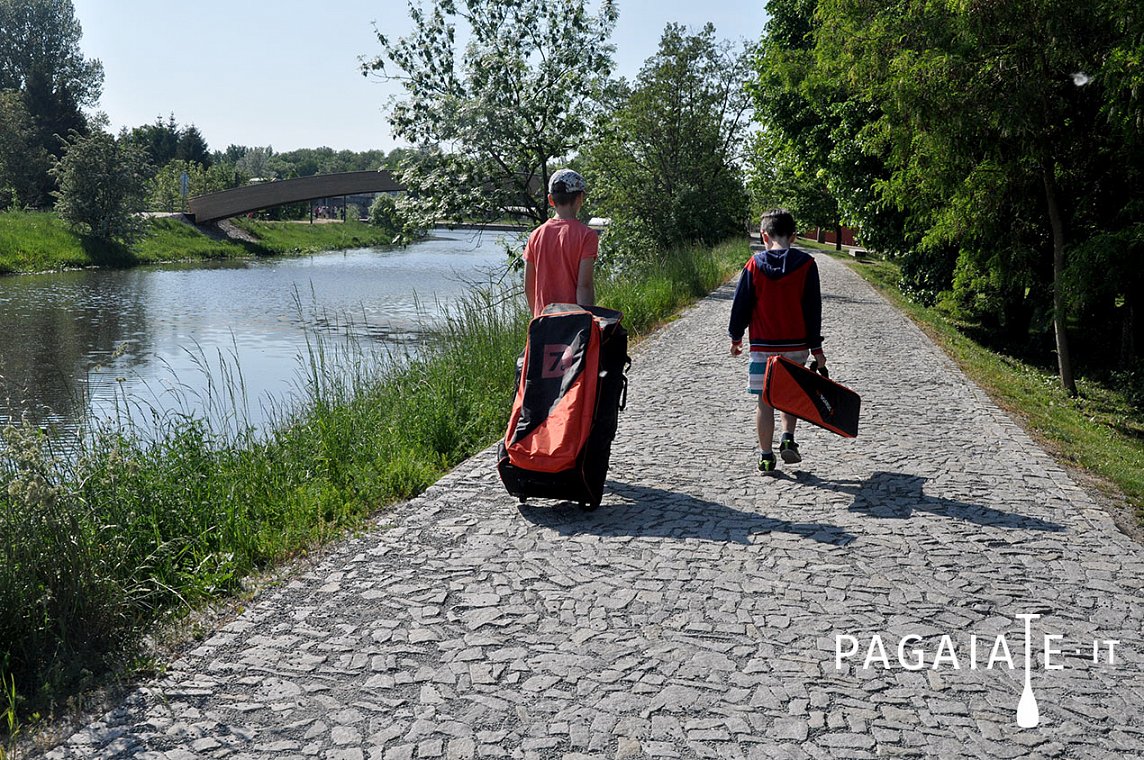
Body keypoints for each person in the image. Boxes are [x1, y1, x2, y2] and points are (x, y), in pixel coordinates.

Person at [728, 209, 826, 474]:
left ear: (764, 235)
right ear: (793, 236)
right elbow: (812, 310)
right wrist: (816, 349)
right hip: (796, 347)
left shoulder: (753, 265)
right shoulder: (807, 265)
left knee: (764, 402)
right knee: (789, 397)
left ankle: (766, 456)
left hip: (763, 348)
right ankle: (787, 438)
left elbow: (741, 307)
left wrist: (736, 337)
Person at [523, 168, 597, 317]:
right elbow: (584, 287)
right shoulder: (586, 236)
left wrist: (537, 318)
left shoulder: (535, 235)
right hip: (572, 327)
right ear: (580, 198)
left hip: (543, 324)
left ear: (551, 200)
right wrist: (586, 323)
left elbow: (529, 287)